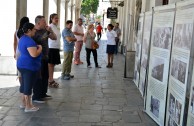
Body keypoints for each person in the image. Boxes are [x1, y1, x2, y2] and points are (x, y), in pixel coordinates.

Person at [17, 23, 42, 112]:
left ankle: (23, 103)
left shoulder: (22, 38)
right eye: (34, 29)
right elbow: (34, 54)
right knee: (28, 86)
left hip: (22, 64)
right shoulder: (29, 41)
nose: (35, 31)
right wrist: (40, 49)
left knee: (24, 85)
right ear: (29, 30)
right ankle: (28, 106)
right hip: (29, 66)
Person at [32, 15, 57, 103]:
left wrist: (51, 31)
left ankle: (43, 93)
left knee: (45, 76)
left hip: (46, 56)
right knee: (38, 77)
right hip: (38, 58)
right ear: (38, 23)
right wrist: (47, 32)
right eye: (44, 22)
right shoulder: (33, 31)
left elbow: (54, 38)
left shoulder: (45, 30)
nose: (46, 23)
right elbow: (38, 40)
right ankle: (36, 96)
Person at [13, 17, 30, 84]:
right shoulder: (28, 32)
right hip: (26, 51)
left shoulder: (16, 31)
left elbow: (14, 43)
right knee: (26, 68)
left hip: (18, 51)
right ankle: (26, 85)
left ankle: (22, 85)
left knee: (20, 70)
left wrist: (14, 52)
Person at [48, 13, 61, 88]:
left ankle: (50, 79)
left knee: (52, 65)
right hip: (51, 48)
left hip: (56, 48)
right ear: (51, 19)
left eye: (57, 18)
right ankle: (50, 80)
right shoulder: (50, 27)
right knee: (50, 65)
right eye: (55, 18)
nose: (57, 19)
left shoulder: (57, 27)